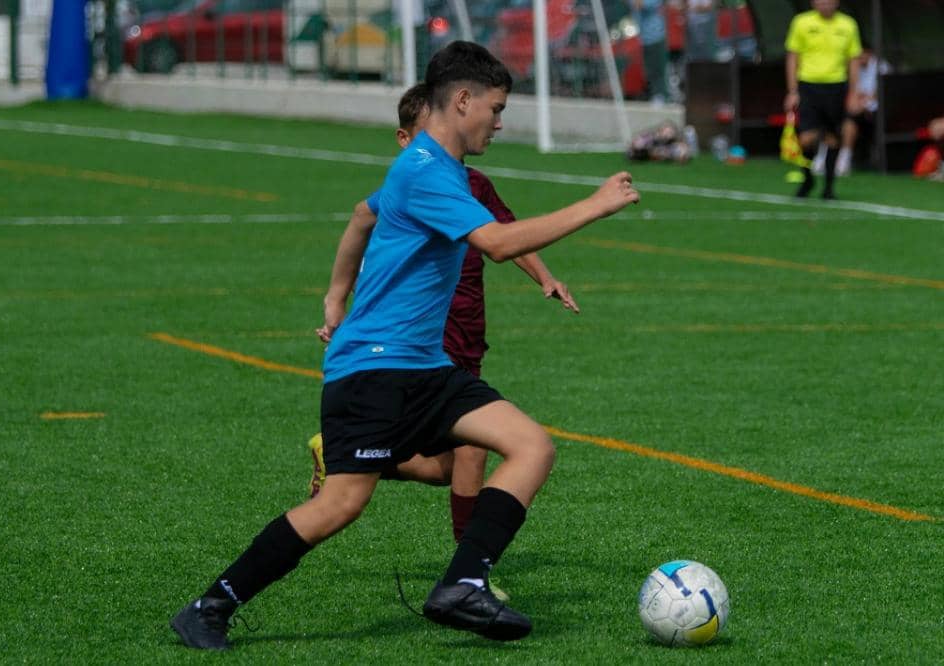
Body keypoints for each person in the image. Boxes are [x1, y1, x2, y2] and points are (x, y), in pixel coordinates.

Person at [169, 40, 640, 651]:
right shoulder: (423, 172)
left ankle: (462, 584)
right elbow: (495, 244)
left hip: (425, 367)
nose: (500, 122)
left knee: (531, 446)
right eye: (495, 109)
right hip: (372, 371)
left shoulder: (434, 169)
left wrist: (336, 296)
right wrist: (596, 205)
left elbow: (362, 217)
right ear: (462, 100)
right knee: (338, 506)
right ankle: (210, 606)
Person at [310, 83, 579, 602]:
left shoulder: (471, 183)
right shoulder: (415, 181)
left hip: (467, 329)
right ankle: (468, 573)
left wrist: (543, 276)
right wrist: (336, 298)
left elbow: (507, 233)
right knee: (476, 448)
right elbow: (363, 217)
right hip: (425, 336)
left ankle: (362, 462)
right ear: (405, 139)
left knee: (451, 468)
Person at [783, 0, 861, 199]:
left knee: (833, 137)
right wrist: (793, 91)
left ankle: (828, 187)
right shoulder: (801, 22)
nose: (825, 5)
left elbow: (853, 60)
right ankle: (807, 178)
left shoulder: (848, 25)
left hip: (836, 86)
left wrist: (853, 92)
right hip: (809, 86)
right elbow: (793, 57)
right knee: (806, 138)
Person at [813, 44, 888, 177]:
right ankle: (823, 156)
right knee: (838, 117)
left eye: (862, 55)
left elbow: (879, 95)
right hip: (851, 111)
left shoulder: (881, 67)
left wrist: (863, 103)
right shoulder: (849, 68)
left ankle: (843, 160)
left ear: (870, 53)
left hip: (875, 113)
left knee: (849, 117)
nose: (859, 59)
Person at [631, 0, 670, 103]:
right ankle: (653, 94)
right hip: (643, 38)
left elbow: (640, 4)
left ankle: (662, 96)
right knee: (647, 70)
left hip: (656, 36)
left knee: (658, 69)